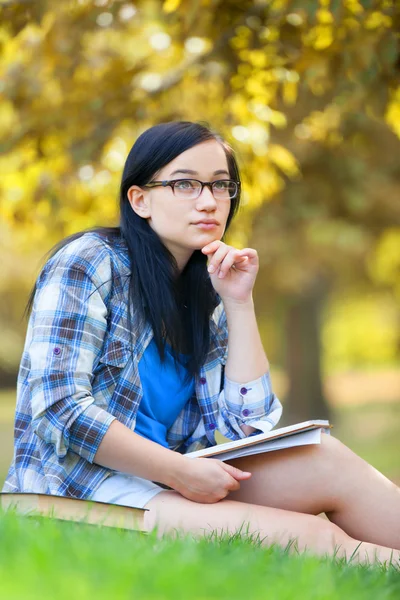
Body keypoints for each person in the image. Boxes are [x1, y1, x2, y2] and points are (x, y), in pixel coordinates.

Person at [4, 121, 399, 566]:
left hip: (169, 483)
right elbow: (59, 406)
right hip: (76, 494)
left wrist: (238, 302)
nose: (210, 201)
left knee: (326, 458)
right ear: (140, 200)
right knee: (312, 539)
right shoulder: (88, 263)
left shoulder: (206, 291)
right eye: (185, 184)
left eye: (221, 185)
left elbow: (246, 430)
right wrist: (178, 471)